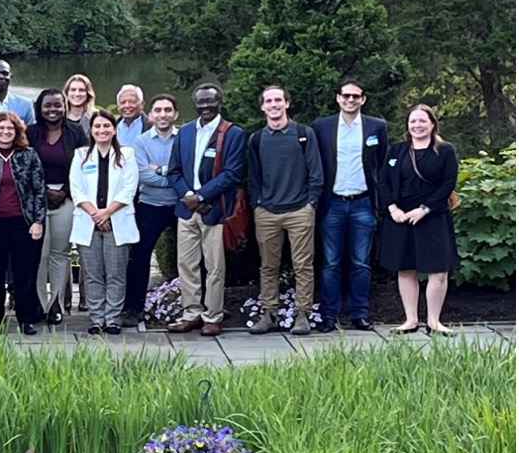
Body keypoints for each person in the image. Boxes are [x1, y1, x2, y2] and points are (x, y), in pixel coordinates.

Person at [166, 83, 246, 337]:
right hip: (187, 210)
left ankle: (213, 316)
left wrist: (202, 195)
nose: (205, 107)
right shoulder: (185, 132)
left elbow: (232, 174)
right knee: (186, 264)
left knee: (214, 266)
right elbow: (174, 171)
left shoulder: (233, 133)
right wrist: (189, 196)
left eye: (210, 102)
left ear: (219, 102)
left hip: (215, 209)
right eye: (200, 102)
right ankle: (190, 313)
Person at [246, 85, 324, 336]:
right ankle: (269, 313)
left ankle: (302, 314)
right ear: (262, 107)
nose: (274, 105)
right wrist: (257, 204)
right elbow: (253, 177)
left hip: (300, 210)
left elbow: (316, 172)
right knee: (268, 266)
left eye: (278, 100)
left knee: (303, 265)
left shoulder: (304, 133)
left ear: (287, 104)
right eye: (268, 101)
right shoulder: (257, 139)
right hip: (267, 211)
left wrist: (310, 203)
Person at [376, 104, 460, 335]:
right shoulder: (397, 150)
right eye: (413, 121)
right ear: (407, 125)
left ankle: (434, 321)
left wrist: (425, 209)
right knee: (405, 268)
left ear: (432, 124)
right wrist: (392, 208)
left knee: (438, 271)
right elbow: (383, 180)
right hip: (401, 217)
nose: (417, 125)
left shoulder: (445, 151)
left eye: (422, 121)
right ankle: (410, 320)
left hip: (433, 217)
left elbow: (447, 184)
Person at [312, 80, 388, 332]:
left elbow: (381, 163)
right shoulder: (322, 127)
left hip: (363, 203)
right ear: (338, 98)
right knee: (330, 263)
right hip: (332, 202)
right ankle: (328, 316)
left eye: (356, 96)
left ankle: (359, 314)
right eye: (346, 96)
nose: (350, 100)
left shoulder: (376, 127)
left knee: (360, 263)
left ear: (363, 100)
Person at [0, 111, 45, 333]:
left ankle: (26, 318)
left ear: (17, 132)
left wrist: (38, 220)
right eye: (1, 128)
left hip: (23, 223)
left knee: (24, 273)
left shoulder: (29, 155)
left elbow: (38, 190)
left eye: (10, 129)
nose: (5, 132)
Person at [69, 109, 139, 335]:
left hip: (116, 221)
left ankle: (112, 319)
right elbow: (76, 190)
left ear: (114, 129)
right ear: (91, 130)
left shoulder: (126, 155)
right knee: (92, 274)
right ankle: (97, 318)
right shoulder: (81, 155)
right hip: (88, 223)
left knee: (116, 274)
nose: (102, 130)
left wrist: (107, 213)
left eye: (106, 126)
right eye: (97, 126)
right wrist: (95, 215)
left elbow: (129, 189)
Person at [27, 89, 88, 326]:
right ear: (40, 108)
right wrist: (43, 191)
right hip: (37, 198)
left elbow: (84, 167)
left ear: (64, 107)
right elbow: (25, 168)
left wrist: (64, 192)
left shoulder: (76, 132)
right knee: (39, 254)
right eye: (47, 106)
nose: (52, 110)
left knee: (60, 253)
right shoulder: (31, 133)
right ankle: (40, 303)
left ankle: (56, 305)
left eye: (57, 105)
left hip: (67, 198)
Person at [126, 93, 181, 323]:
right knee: (139, 257)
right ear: (150, 115)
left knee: (191, 258)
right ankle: (133, 308)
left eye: (168, 110)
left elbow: (187, 171)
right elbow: (143, 175)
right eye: (158, 110)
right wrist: (174, 176)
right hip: (149, 205)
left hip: (181, 205)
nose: (163, 115)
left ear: (176, 114)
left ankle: (197, 306)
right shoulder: (141, 141)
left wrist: (160, 169)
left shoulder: (184, 138)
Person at [0, 59, 35, 125]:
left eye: (5, 73)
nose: (0, 76)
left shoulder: (26, 104)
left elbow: (33, 131)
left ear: (10, 77)